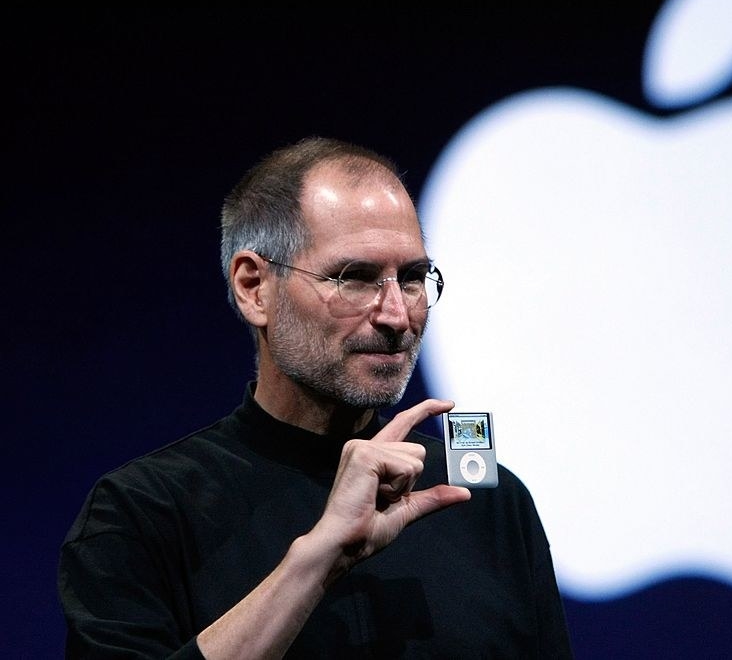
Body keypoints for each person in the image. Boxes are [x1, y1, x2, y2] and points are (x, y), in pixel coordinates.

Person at [58, 136, 574, 658]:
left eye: (414, 278)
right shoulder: (141, 513)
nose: (397, 315)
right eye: (355, 278)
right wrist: (319, 558)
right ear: (254, 287)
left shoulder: (484, 498)